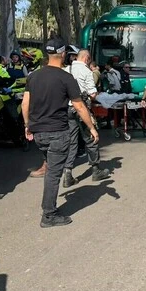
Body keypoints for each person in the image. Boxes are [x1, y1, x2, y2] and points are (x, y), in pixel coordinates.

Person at [22, 37, 100, 228]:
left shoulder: (33, 76)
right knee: (53, 174)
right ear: (64, 54)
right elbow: (80, 106)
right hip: (57, 132)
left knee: (51, 168)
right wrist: (91, 127)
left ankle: (48, 208)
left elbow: (25, 103)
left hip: (38, 133)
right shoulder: (66, 78)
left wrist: (27, 125)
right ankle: (48, 215)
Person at [62, 49, 111, 187]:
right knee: (91, 138)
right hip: (82, 109)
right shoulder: (87, 72)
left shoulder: (66, 69)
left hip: (68, 109)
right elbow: (93, 94)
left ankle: (67, 173)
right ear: (87, 58)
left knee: (72, 141)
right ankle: (96, 170)